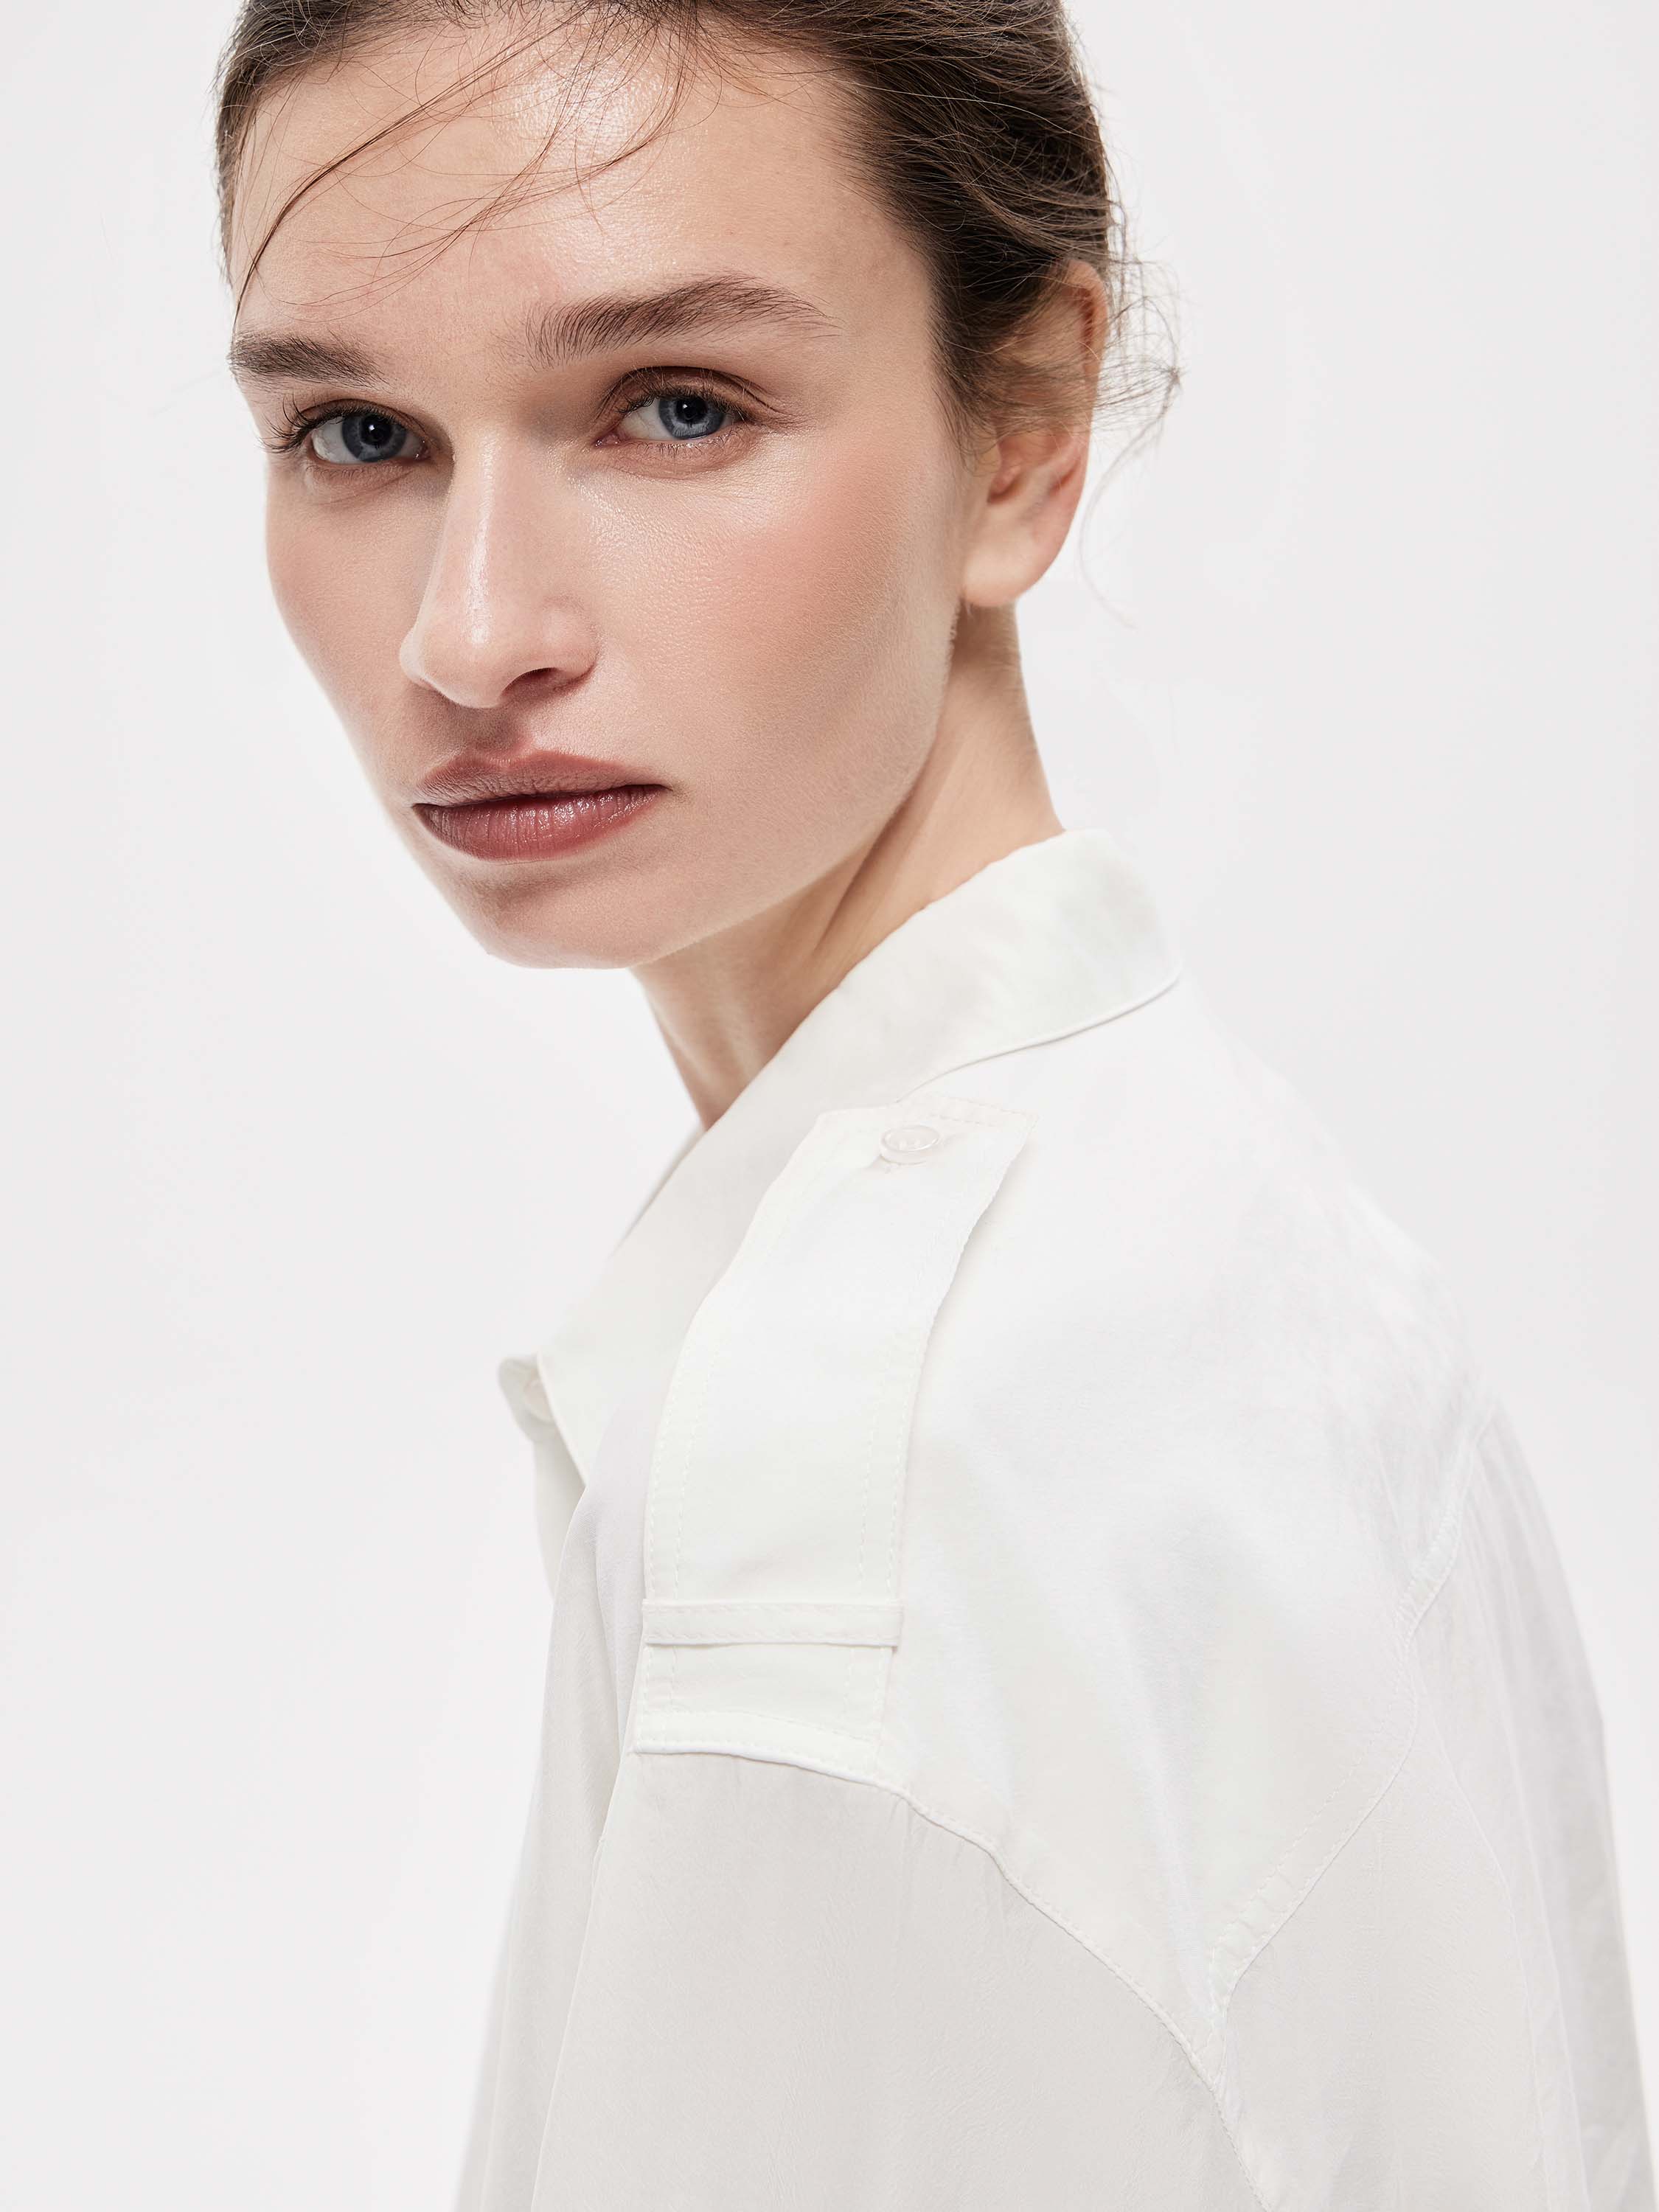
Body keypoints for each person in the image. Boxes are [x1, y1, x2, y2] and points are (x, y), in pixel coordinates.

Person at [212, 3, 1654, 2205]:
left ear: (1024, 432)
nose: (471, 634)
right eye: (355, 433)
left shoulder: (862, 1500)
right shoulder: (1208, 1235)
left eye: (675, 405)